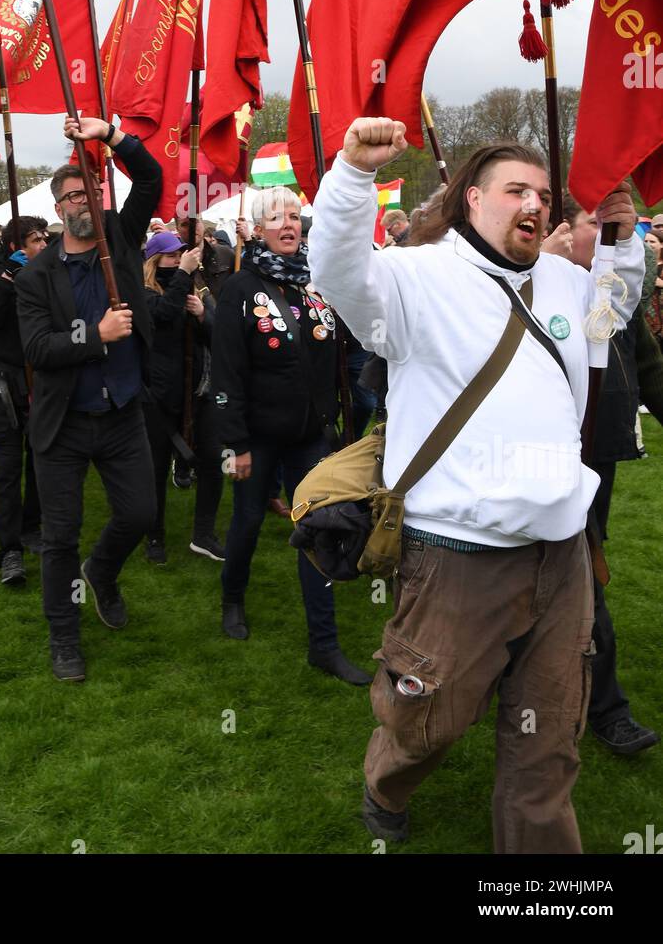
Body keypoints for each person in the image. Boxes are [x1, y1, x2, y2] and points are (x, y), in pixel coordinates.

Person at [309, 118, 643, 853]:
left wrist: (621, 238)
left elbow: (609, 313)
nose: (536, 202)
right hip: (455, 555)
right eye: (516, 189)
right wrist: (350, 176)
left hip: (560, 553)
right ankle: (386, 780)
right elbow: (337, 273)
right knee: (429, 721)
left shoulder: (562, 278)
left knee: (549, 740)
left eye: (544, 193)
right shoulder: (413, 277)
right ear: (472, 201)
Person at [15, 116, 162, 683]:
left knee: (140, 513)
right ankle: (64, 636)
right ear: (58, 209)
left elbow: (149, 177)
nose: (83, 201)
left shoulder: (120, 241)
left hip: (123, 412)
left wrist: (110, 134)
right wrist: (92, 336)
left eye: (90, 192)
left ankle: (101, 572)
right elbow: (36, 346)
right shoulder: (36, 275)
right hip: (64, 423)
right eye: (72, 196)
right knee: (59, 535)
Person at [212, 184, 371, 685]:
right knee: (248, 522)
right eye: (276, 218)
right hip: (256, 437)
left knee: (320, 528)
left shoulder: (312, 283)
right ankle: (232, 597)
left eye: (294, 217)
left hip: (311, 436)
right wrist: (234, 446)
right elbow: (227, 375)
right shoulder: (239, 290)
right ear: (256, 229)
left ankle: (323, 644)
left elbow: (341, 353)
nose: (288, 225)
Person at [544, 196, 659, 756]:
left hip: (597, 461)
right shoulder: (527, 290)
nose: (609, 232)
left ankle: (605, 707)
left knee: (585, 575)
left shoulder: (614, 297)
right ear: (564, 231)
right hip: (531, 463)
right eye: (597, 223)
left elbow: (648, 367)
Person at [0, 214, 48, 585]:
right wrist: (7, 281)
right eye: (35, 240)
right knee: (7, 468)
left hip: (42, 381)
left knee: (40, 460)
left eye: (44, 238)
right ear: (17, 246)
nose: (43, 245)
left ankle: (32, 526)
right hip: (4, 382)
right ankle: (10, 550)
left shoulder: (50, 273)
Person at [141, 231, 225, 564]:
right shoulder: (144, 292)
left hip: (199, 393)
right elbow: (161, 315)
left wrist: (203, 315)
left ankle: (203, 535)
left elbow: (219, 336)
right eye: (171, 256)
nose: (178, 260)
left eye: (181, 255)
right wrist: (182, 276)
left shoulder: (193, 289)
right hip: (159, 397)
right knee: (155, 470)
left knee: (213, 463)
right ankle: (154, 535)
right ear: (154, 261)